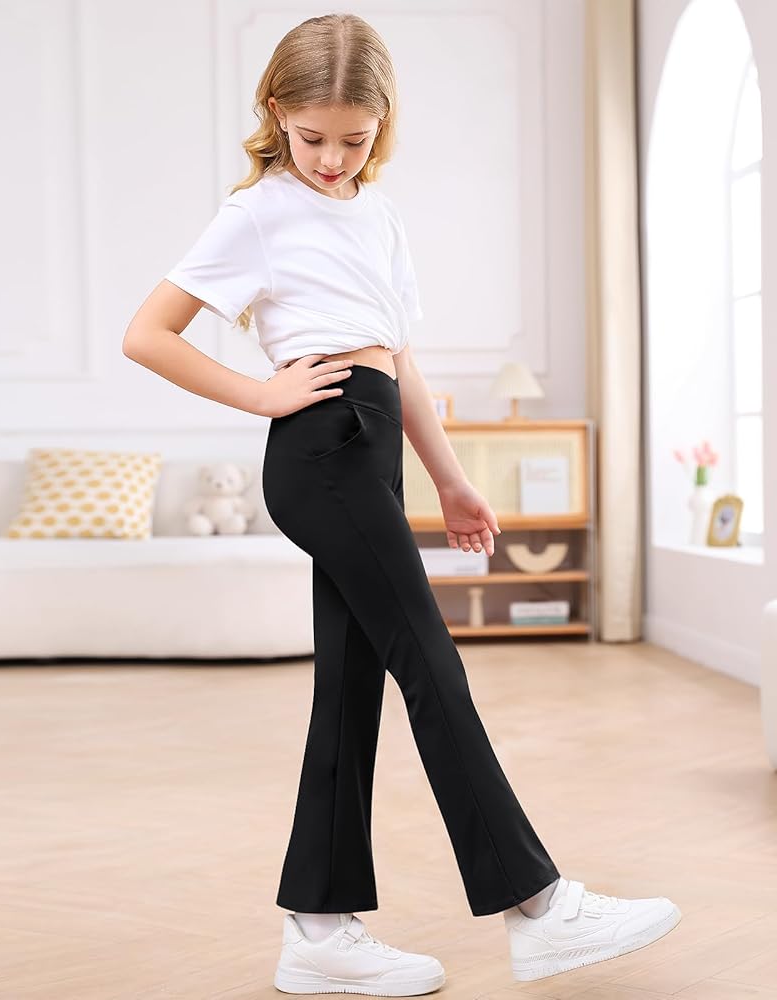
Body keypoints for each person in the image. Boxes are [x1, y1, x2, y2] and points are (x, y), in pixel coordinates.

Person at [122, 12, 681, 994]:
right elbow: (147, 334)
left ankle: (318, 929)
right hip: (321, 449)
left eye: (354, 137)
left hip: (369, 446)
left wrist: (451, 478)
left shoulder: (376, 216)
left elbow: (398, 359)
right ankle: (537, 906)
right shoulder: (256, 211)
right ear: (275, 112)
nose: (331, 159)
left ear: (382, 123)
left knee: (352, 687)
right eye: (312, 137)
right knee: (428, 658)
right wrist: (261, 394)